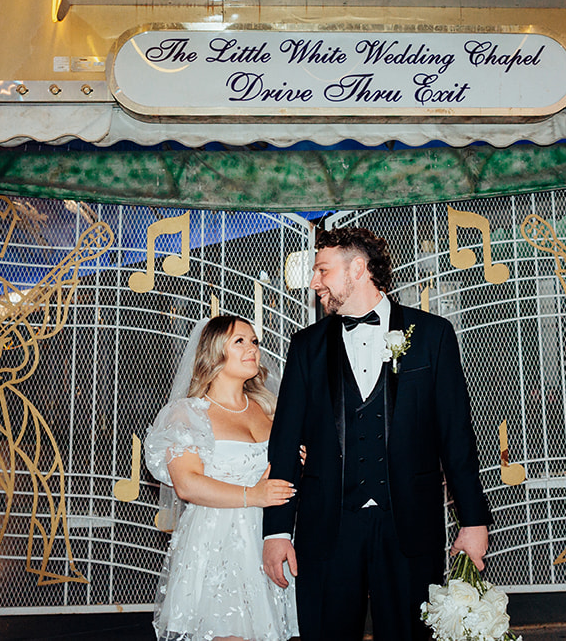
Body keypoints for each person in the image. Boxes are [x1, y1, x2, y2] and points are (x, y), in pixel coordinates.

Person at [263, 227, 491, 641]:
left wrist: (473, 521)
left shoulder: (433, 336)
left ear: (358, 268)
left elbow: (456, 436)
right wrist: (277, 530)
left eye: (322, 270)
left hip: (408, 526)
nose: (314, 282)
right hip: (328, 528)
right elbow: (283, 444)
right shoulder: (305, 347)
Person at [144, 315, 298, 641]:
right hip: (219, 540)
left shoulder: (268, 408)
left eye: (254, 341)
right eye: (239, 341)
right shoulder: (187, 413)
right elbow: (187, 484)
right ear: (214, 351)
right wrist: (252, 495)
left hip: (270, 534)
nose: (252, 349)